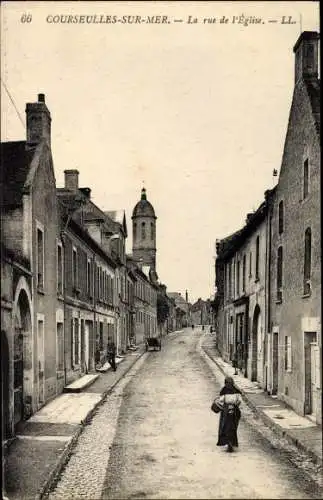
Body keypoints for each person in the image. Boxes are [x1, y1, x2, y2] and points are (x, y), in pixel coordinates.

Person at [216, 376, 242, 452]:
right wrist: (235, 405)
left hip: (226, 411)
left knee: (224, 426)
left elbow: (220, 401)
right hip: (235, 411)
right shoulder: (236, 391)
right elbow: (239, 401)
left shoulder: (224, 391)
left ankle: (227, 442)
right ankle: (233, 442)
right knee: (234, 427)